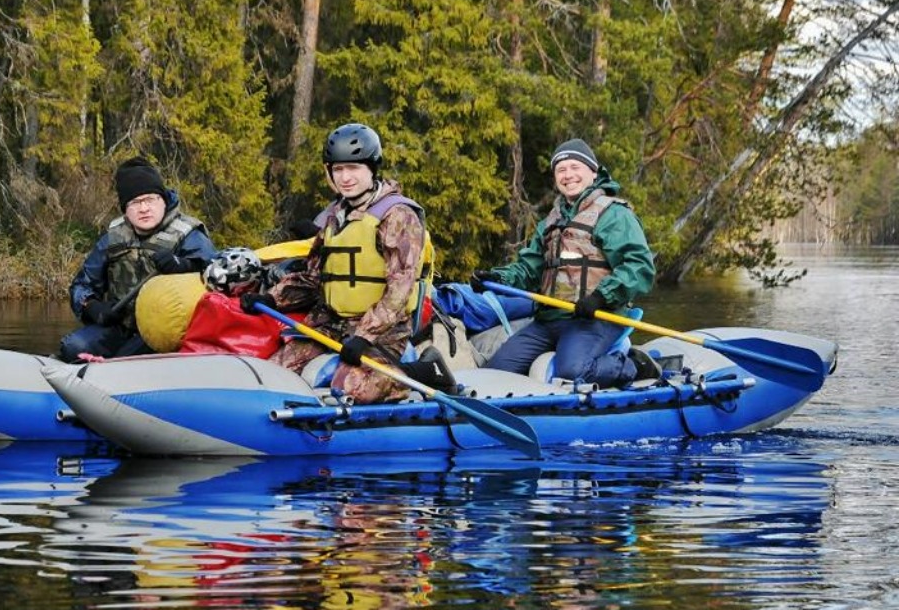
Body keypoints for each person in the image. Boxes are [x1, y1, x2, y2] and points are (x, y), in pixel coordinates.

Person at [242, 123, 434, 403]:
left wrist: (365, 335)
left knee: (351, 389)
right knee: (273, 374)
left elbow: (399, 291)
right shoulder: (335, 216)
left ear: (372, 168)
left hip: (383, 330)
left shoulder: (397, 216)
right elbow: (314, 277)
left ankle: (421, 373)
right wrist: (271, 298)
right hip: (330, 323)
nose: (345, 177)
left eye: (353, 168)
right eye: (338, 169)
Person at [470, 138, 657, 386]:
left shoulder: (614, 215)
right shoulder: (550, 222)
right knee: (496, 372)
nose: (568, 175)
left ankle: (634, 365)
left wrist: (601, 297)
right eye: (561, 170)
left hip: (596, 318)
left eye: (574, 167)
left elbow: (639, 267)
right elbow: (528, 269)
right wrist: (497, 278)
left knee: (572, 372)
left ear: (592, 171)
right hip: (549, 319)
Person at [59, 156, 216, 362]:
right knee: (73, 347)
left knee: (129, 357)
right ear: (125, 209)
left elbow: (219, 278)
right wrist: (92, 308)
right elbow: (82, 285)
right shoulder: (113, 238)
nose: (144, 209)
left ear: (163, 200)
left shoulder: (189, 235)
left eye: (150, 199)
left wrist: (183, 266)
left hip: (170, 333)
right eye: (135, 202)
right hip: (122, 327)